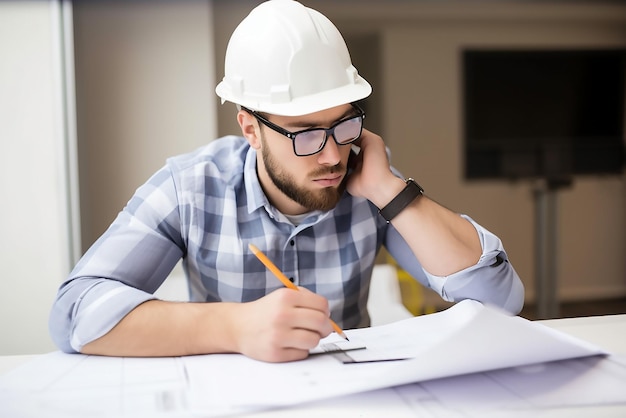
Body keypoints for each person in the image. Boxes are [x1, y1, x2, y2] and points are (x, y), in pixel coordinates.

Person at [49, 0, 524, 363]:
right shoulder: (190, 187)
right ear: (250, 129)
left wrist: (390, 192)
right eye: (306, 134)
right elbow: (74, 313)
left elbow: (499, 298)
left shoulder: (368, 179)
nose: (334, 154)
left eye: (344, 124)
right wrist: (234, 327)